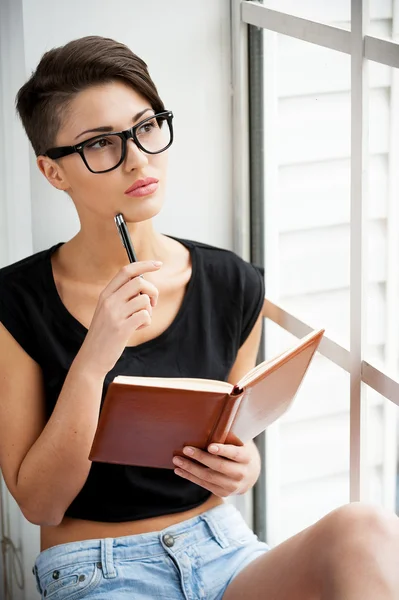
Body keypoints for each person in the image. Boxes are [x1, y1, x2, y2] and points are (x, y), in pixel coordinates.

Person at [0, 35, 398, 600]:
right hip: (100, 567)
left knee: (369, 528)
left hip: (224, 548)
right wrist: (95, 355)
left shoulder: (232, 282)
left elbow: (230, 427)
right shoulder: (16, 301)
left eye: (145, 128)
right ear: (54, 171)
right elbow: (41, 503)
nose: (137, 158)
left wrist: (244, 467)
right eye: (101, 144)